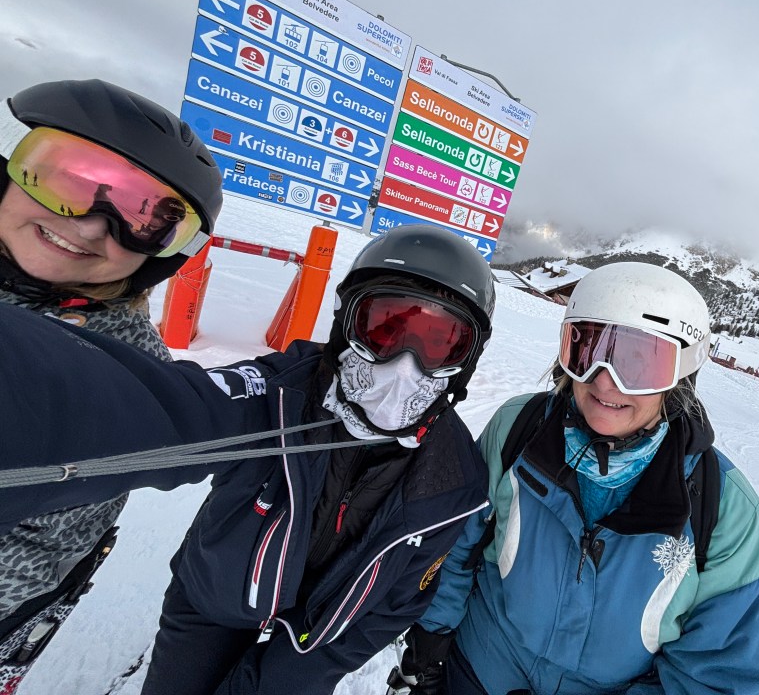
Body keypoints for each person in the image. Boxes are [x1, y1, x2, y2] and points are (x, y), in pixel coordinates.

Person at [0, 224, 494, 695]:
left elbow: (399, 600)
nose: (404, 366)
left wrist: (312, 664)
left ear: (465, 364)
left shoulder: (454, 480)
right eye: (384, 329)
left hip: (318, 637)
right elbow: (172, 408)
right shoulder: (277, 394)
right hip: (215, 598)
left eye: (439, 344)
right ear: (346, 325)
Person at [395, 262, 759, 694]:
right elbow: (454, 545)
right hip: (481, 668)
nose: (605, 383)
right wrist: (430, 641)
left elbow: (718, 671)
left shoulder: (723, 506)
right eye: (588, 350)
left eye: (639, 364)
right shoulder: (519, 431)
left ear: (679, 378)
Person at [0, 78, 223, 692]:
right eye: (68, 182)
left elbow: (50, 538)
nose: (92, 227)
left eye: (143, 221)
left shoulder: (126, 365)